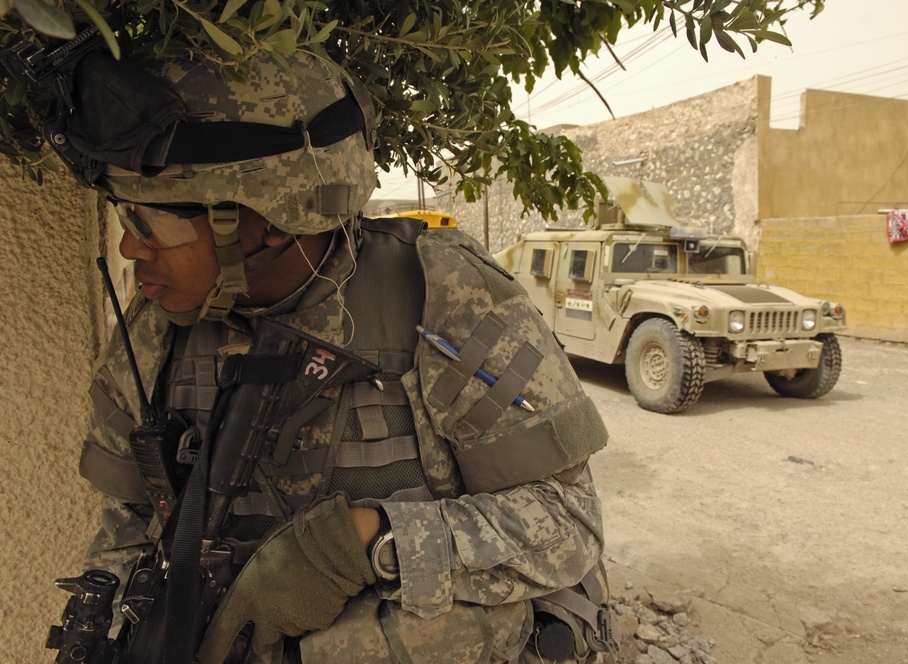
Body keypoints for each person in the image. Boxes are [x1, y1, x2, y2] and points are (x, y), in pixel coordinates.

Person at [60, 47, 616, 663]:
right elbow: (129, 527)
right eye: (124, 217)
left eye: (153, 224)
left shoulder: (444, 298)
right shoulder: (156, 334)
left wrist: (364, 541)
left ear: (272, 218)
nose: (130, 248)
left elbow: (568, 525)